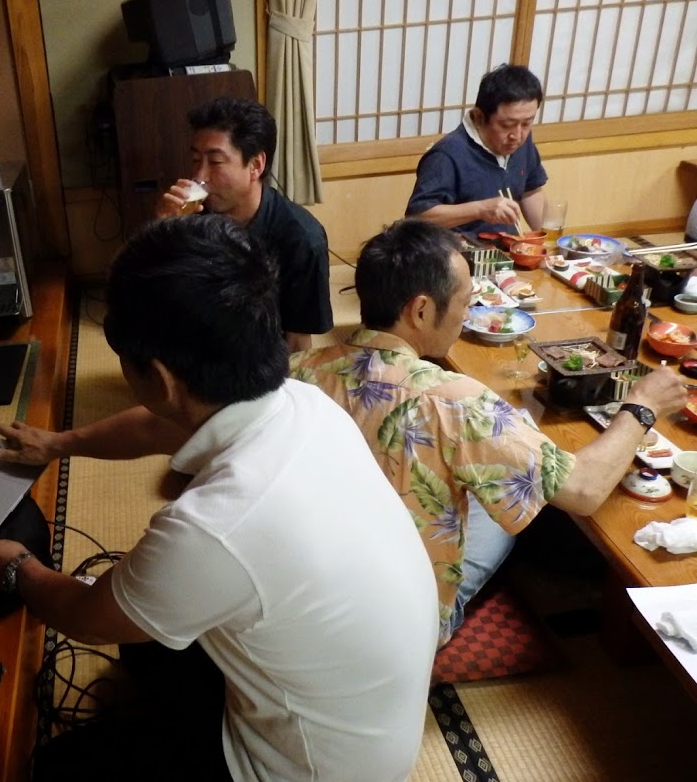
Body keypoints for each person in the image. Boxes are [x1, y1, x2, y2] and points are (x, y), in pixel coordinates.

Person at [0, 214, 438, 782]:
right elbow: (160, 425)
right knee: (146, 643)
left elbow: (85, 619)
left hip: (307, 772)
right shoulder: (304, 404)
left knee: (56, 768)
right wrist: (57, 444)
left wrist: (14, 566)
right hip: (363, 720)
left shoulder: (213, 527)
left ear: (158, 377)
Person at [289, 218, 687, 645]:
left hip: (309, 597)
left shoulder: (297, 372)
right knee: (511, 490)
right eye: (465, 301)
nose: (467, 314)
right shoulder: (455, 400)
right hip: (403, 626)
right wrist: (642, 406)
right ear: (421, 311)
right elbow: (584, 490)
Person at [156, 96, 332, 352]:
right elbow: (161, 297)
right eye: (195, 160)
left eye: (215, 162)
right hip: (200, 345)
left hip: (259, 355)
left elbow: (297, 340)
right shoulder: (190, 217)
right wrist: (161, 233)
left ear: (255, 165)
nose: (199, 176)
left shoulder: (302, 238)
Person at [405, 64, 548, 237]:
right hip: (460, 251)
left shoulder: (521, 141)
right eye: (507, 125)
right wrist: (481, 209)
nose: (517, 135)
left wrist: (548, 237)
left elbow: (530, 191)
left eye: (527, 123)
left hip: (509, 247)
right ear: (479, 117)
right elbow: (417, 218)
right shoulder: (447, 154)